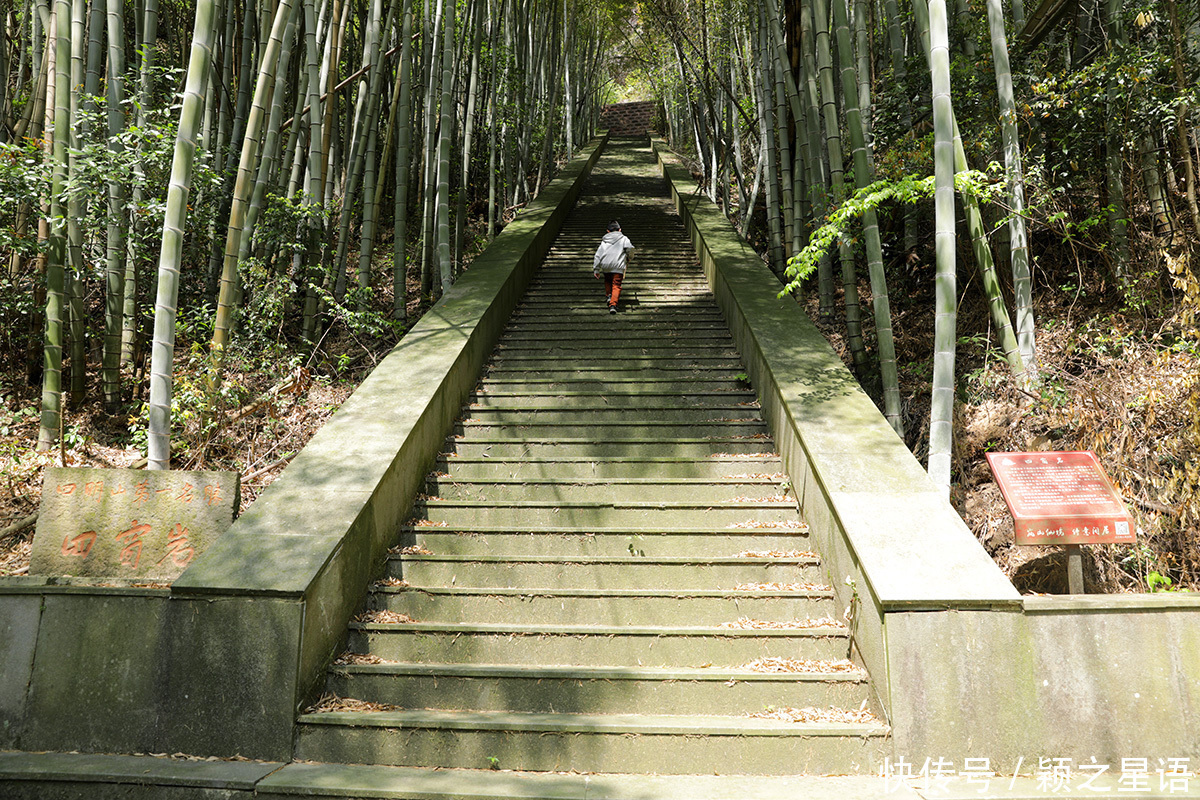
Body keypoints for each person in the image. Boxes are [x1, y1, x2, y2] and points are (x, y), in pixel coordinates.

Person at [592, 221, 634, 314]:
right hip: (618, 265)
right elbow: (630, 248)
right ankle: (613, 305)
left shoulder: (604, 241)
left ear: (608, 231)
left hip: (605, 265)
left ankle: (609, 296)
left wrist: (596, 269)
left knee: (607, 280)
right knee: (616, 284)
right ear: (620, 230)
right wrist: (629, 257)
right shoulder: (624, 238)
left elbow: (598, 255)